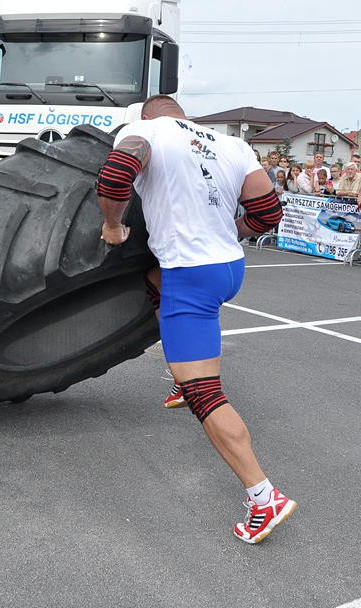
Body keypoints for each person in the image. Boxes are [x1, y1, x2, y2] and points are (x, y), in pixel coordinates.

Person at [96, 95, 294, 545]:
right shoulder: (232, 144)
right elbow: (267, 214)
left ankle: (264, 497)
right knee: (152, 277)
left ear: (148, 115)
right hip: (228, 268)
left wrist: (112, 226)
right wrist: (228, 230)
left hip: (190, 275)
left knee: (204, 392)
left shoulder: (145, 132)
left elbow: (115, 174)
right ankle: (178, 374)